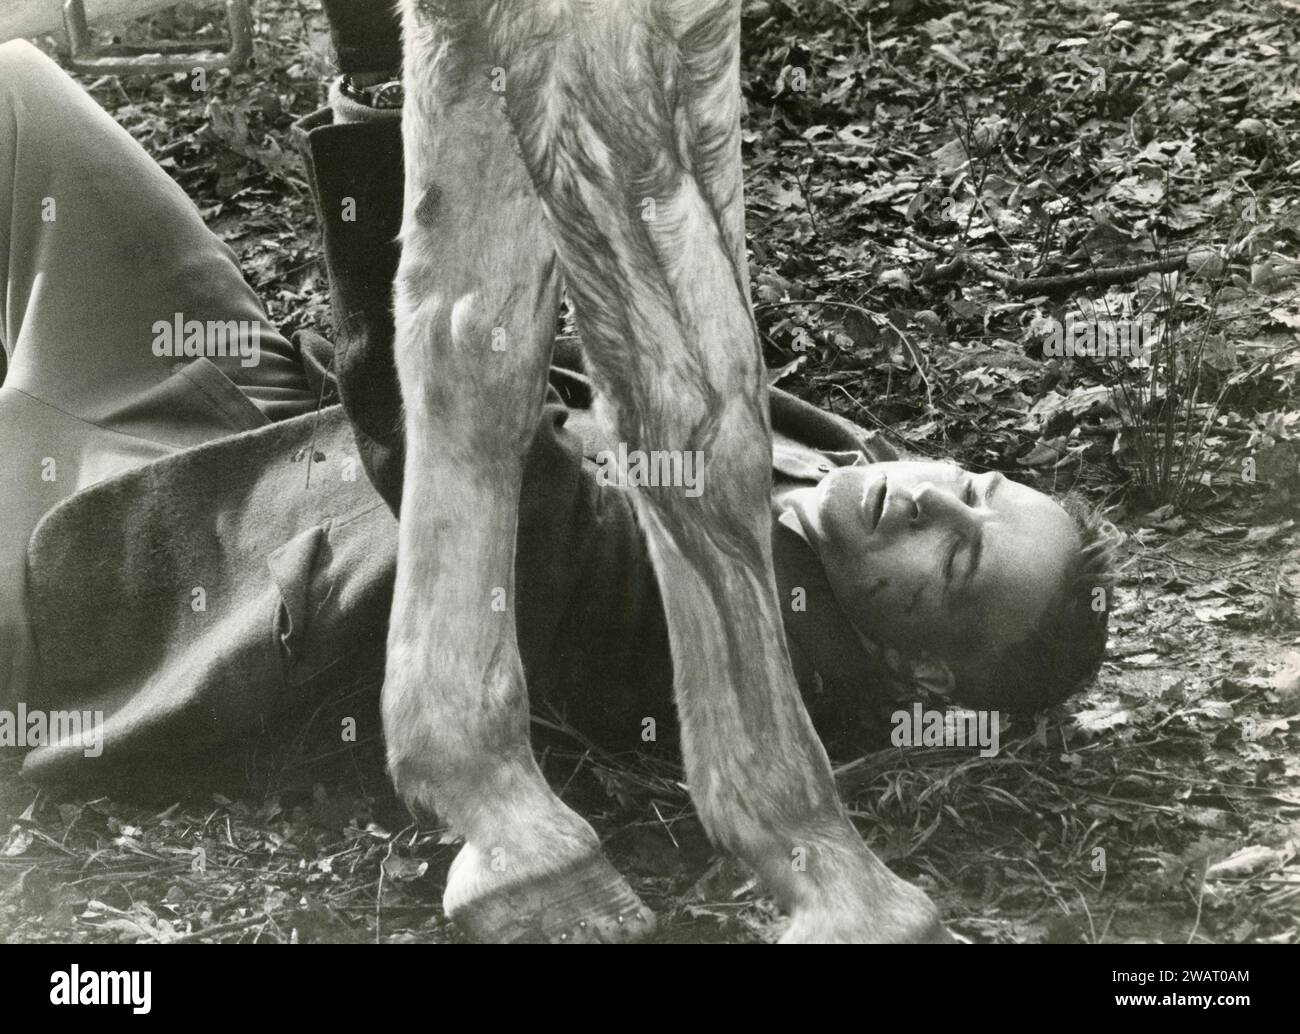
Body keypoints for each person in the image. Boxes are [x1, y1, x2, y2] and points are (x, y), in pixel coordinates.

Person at [0, 25, 1114, 788]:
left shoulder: (715, 656)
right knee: (18, 93)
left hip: (169, 574)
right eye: (975, 485)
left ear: (922, 678)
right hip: (259, 411)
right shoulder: (851, 477)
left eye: (954, 557)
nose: (931, 498)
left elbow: (467, 444)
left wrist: (395, 80)